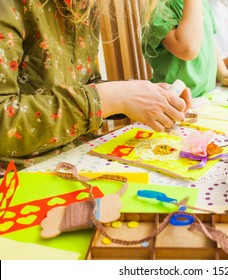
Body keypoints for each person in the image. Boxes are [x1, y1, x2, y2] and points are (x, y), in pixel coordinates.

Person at [0, 0, 192, 172]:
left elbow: (84, 86)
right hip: (19, 176)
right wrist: (113, 97)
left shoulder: (86, 6)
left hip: (79, 159)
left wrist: (135, 96)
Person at [140, 0, 228, 98]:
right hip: (174, 103)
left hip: (206, 98)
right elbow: (188, 50)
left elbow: (210, 42)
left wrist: (223, 74)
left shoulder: (202, 3)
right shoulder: (156, 7)